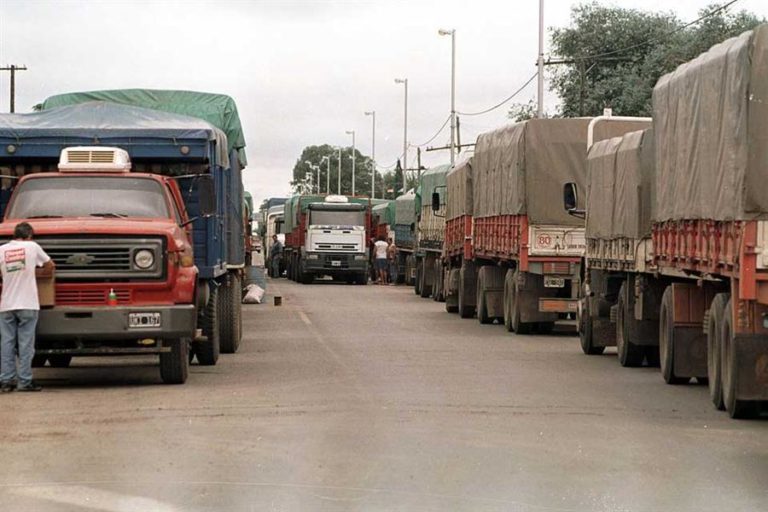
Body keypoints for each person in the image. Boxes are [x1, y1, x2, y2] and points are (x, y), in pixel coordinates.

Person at [0, 222, 54, 393]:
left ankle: (6, 381)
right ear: (30, 235)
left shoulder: (2, 249)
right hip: (28, 303)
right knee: (25, 344)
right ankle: (25, 381)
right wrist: (36, 273)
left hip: (6, 304)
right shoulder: (32, 246)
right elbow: (50, 266)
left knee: (7, 343)